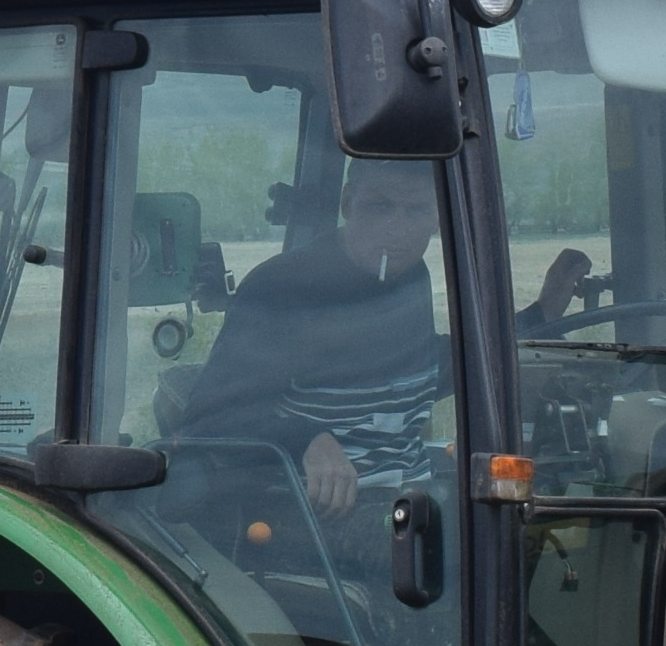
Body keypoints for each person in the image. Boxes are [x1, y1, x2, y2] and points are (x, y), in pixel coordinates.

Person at [165, 151, 453, 526]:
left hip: (408, 491)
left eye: (415, 211)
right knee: (458, 554)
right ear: (349, 203)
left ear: (436, 218)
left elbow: (414, 370)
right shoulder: (282, 288)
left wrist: (538, 316)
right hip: (312, 512)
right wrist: (307, 441)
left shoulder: (411, 275)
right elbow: (208, 417)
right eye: (380, 207)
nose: (396, 228)